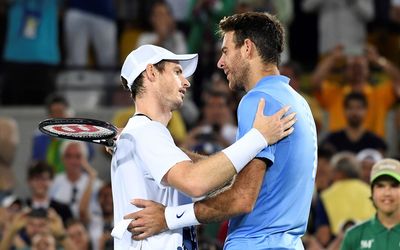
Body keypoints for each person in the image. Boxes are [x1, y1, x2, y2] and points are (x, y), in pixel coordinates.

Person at [124, 12, 317, 249]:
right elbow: (238, 177)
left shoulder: (257, 100)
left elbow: (242, 197)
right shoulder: (297, 103)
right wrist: (166, 152)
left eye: (225, 51)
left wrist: (167, 217)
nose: (220, 62)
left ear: (247, 48)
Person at [341, 158, 400, 250]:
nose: (387, 193)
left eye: (394, 186)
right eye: (380, 186)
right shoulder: (353, 236)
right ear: (372, 192)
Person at [320, 92, 387, 154]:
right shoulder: (332, 140)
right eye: (350, 108)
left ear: (366, 110)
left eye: (359, 108)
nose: (354, 112)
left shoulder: (376, 142)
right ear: (344, 110)